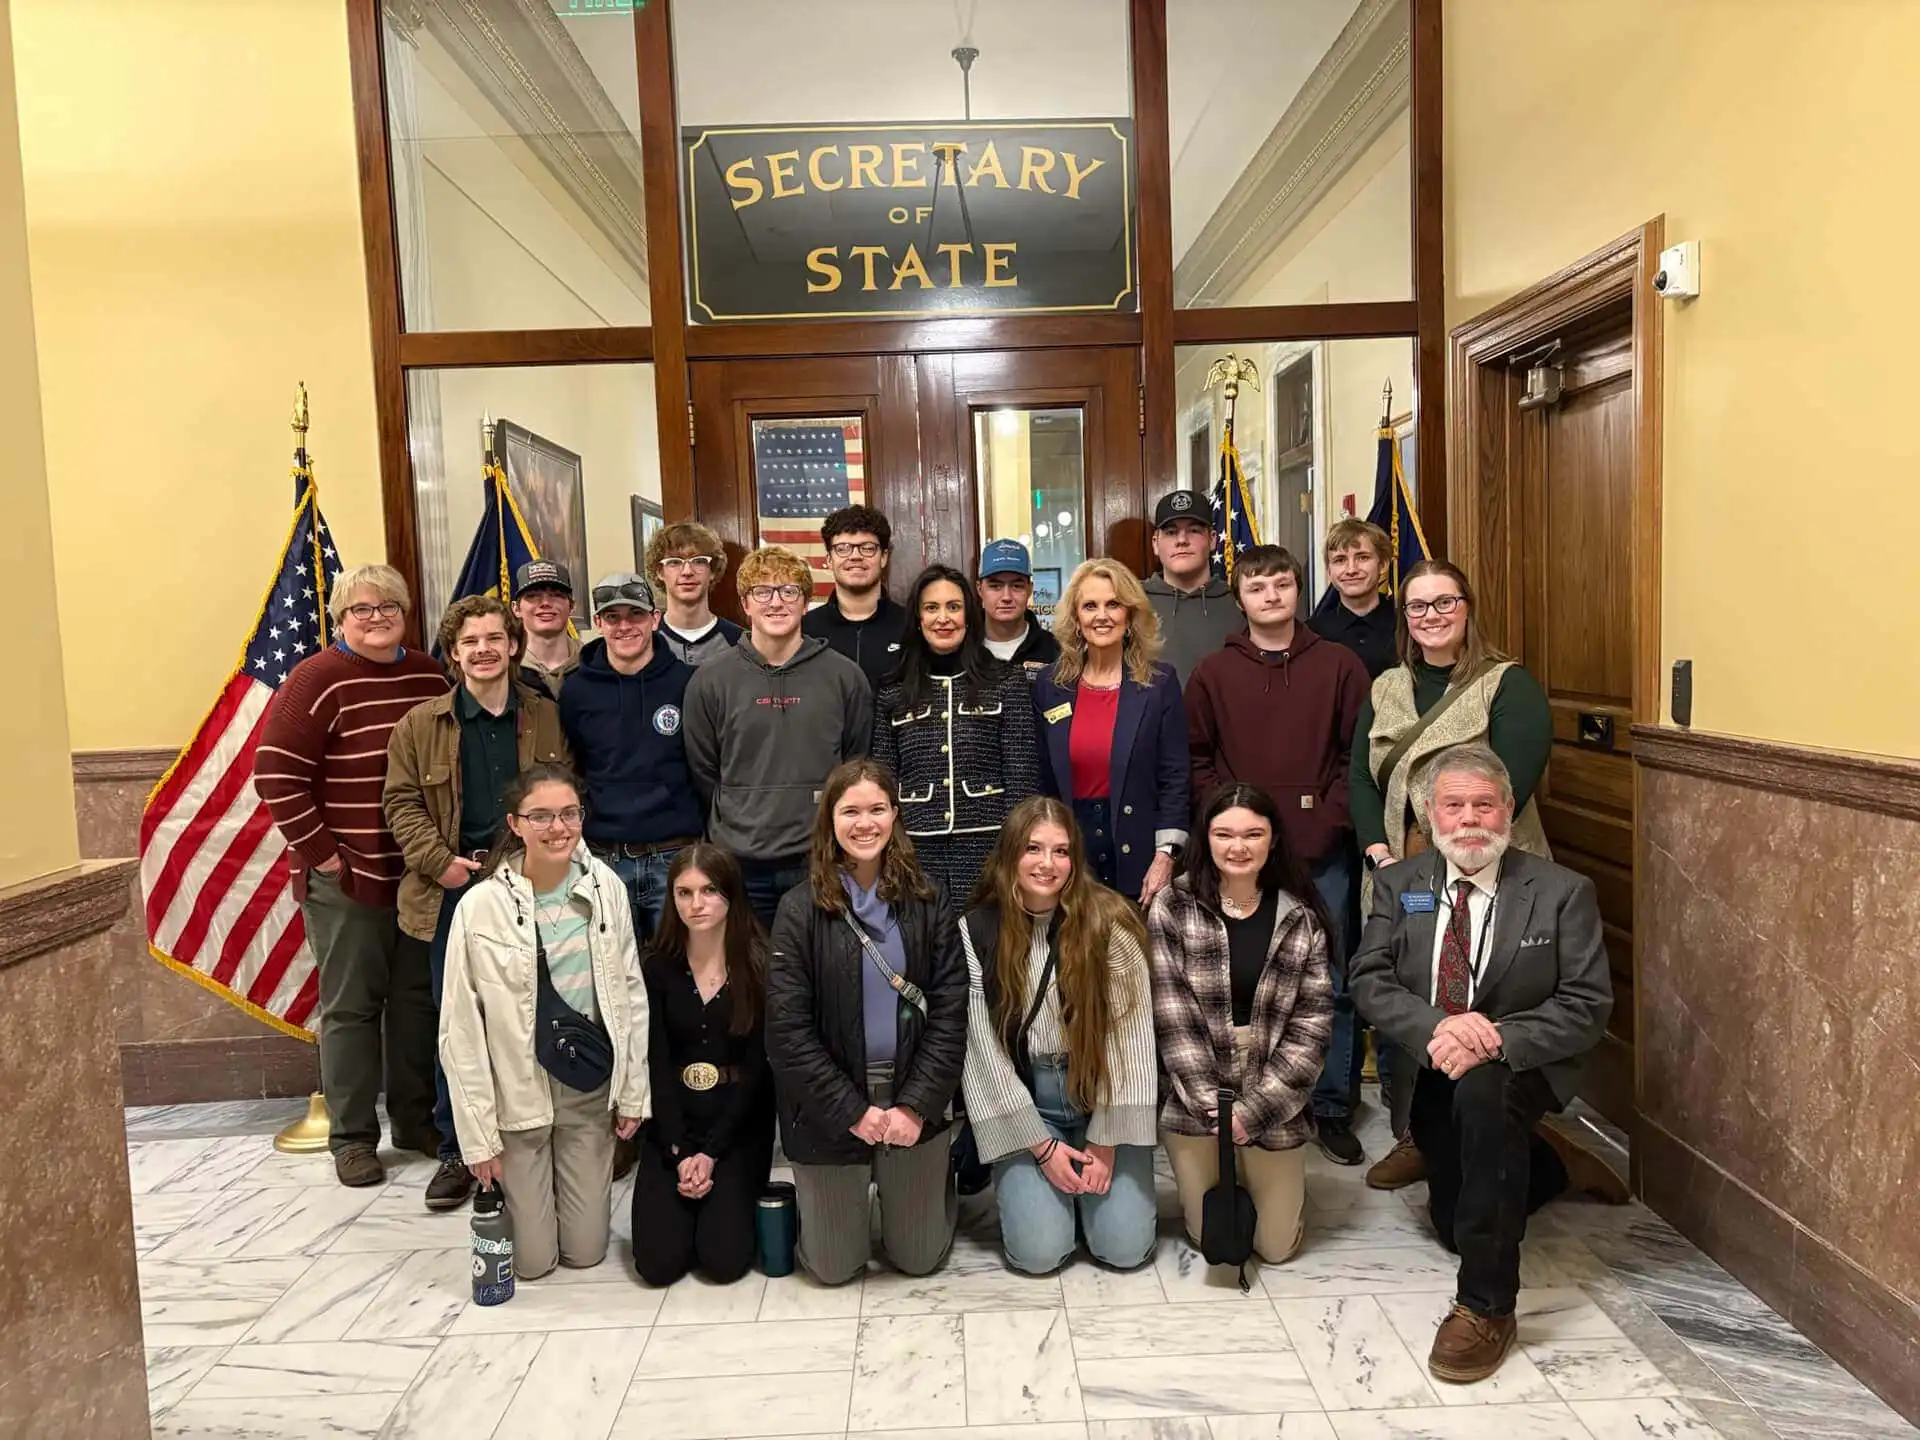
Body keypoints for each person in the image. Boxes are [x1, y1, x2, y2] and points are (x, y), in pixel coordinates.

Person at [1350, 743, 1622, 1384]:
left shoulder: (1562, 892)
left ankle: (1486, 1307)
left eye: (1485, 804)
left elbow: (1587, 1005)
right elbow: (1370, 980)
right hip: (1433, 1062)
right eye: (1454, 805)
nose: (1470, 818)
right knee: (1452, 1223)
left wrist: (1492, 1037)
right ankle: (1551, 1163)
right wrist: (1441, 1025)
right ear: (1430, 815)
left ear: (1508, 810)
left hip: (1516, 1065)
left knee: (1488, 1099)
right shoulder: (1398, 886)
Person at [1348, 559, 1554, 1192]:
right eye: (1417, 606)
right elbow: (1361, 773)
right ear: (1403, 617)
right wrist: (1380, 854)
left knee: (1480, 993)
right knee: (1408, 993)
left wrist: (1451, 861)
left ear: (1467, 608)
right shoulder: (1386, 687)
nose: (1431, 616)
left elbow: (1507, 787)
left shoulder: (1507, 686)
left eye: (1444, 603)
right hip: (1401, 863)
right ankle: (1415, 1132)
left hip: (1485, 864)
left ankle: (1501, 1132)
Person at [255, 563, 450, 1188]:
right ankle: (353, 1138)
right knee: (351, 1009)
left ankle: (416, 1121)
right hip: (348, 880)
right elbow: (276, 775)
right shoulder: (316, 678)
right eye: (361, 609)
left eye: (388, 606)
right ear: (340, 619)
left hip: (417, 875)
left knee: (416, 1004)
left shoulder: (428, 673)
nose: (376, 617)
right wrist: (327, 857)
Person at [384, 595, 572, 1212]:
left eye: (495, 638)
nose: (484, 650)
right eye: (470, 642)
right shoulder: (422, 724)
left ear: (514, 645)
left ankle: (536, 1135)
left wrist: (539, 858)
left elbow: (566, 793)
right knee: (457, 1024)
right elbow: (401, 804)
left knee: (535, 1011)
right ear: (454, 651)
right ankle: (456, 1150)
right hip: (454, 892)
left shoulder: (545, 715)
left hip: (533, 884)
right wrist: (442, 865)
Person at [1185, 545, 1370, 1166]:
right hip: (1238, 854)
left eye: (1283, 584)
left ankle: (1334, 1107)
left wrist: (1327, 824)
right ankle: (1256, 1101)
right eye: (1257, 587)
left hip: (1322, 853)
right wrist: (1228, 825)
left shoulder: (1340, 665)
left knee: (1331, 979)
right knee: (1252, 981)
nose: (1271, 596)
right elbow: (1197, 757)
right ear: (1239, 598)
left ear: (1298, 590)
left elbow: (1356, 757)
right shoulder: (1214, 672)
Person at [439, 764, 650, 1279]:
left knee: (586, 1251)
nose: (557, 828)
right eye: (541, 817)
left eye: (569, 814)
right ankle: (527, 1204)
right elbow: (459, 1029)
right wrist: (479, 1139)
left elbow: (630, 994)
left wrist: (633, 1090)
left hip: (586, 1086)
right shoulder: (480, 907)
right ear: (515, 823)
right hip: (519, 1095)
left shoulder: (606, 889)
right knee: (532, 1263)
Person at [765, 759, 968, 1285]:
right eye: (850, 810)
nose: (865, 823)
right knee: (833, 1269)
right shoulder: (797, 909)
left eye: (877, 809)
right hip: (831, 1106)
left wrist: (917, 1106)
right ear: (829, 820)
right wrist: (852, 1111)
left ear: (895, 814)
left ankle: (919, 1186)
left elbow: (950, 1011)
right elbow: (787, 1034)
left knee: (919, 1259)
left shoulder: (929, 898)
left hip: (910, 1099)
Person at [960, 797, 1158, 1275]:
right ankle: (1047, 1196)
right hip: (1029, 1101)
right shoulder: (977, 928)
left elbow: (1131, 1038)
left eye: (1061, 851)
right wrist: (1040, 1147)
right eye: (1033, 848)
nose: (1048, 864)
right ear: (1009, 854)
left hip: (1100, 1096)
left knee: (1124, 1249)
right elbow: (981, 1050)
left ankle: (1087, 1204)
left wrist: (1106, 1141)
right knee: (1039, 1255)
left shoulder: (1110, 921)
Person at [1149, 783, 1335, 1267]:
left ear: (1273, 840)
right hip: (1197, 1100)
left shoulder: (1301, 916)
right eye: (1224, 834)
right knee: (1209, 1235)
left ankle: (1278, 1185)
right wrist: (1216, 1111)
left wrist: (1253, 1113)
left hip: (1272, 1090)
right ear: (1204, 838)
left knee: (1274, 1249)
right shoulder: (1173, 905)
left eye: (1253, 834)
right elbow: (1172, 1017)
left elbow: (1311, 1029)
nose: (1238, 847)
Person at [685, 546, 873, 927]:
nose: (776, 602)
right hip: (738, 860)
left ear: (805, 603)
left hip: (818, 859)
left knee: (819, 974)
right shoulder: (711, 680)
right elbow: (704, 770)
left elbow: (855, 766)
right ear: (745, 604)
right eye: (763, 591)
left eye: (789, 591)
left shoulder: (844, 677)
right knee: (750, 975)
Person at [631, 844, 774, 1288]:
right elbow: (654, 1061)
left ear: (731, 894)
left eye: (710, 891)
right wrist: (679, 1150)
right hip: (671, 1125)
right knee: (657, 1267)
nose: (697, 904)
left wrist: (711, 1153)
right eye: (684, 892)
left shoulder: (759, 964)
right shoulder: (656, 967)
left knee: (724, 1262)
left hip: (736, 1130)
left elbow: (757, 1072)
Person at [870, 563, 1041, 901]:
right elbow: (883, 781)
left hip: (989, 850)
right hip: (916, 853)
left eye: (953, 607)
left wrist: (1014, 851)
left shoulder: (1005, 681)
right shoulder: (893, 691)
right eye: (931, 608)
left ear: (969, 615)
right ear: (918, 619)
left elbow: (1022, 777)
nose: (943, 618)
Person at [1033, 559, 1188, 906]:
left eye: (1113, 604)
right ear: (1076, 618)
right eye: (1090, 606)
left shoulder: (1159, 684)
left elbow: (1175, 777)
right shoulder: (1050, 686)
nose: (1102, 615)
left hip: (1141, 858)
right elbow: (1041, 781)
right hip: (1070, 853)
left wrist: (1166, 856)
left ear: (1130, 615)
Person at [558, 573, 703, 941]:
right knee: (613, 975)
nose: (624, 626)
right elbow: (573, 767)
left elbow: (706, 766)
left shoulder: (688, 683)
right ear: (597, 623)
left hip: (675, 855)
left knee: (677, 970)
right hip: (605, 857)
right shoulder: (575, 691)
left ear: (655, 619)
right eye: (613, 617)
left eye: (635, 615)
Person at [802, 503, 908, 686]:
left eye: (867, 548)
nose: (855, 556)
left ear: (883, 557)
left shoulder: (910, 626)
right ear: (829, 559)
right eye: (843, 548)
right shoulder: (804, 631)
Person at [1143, 490, 1241, 685]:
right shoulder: (1130, 602)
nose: (1182, 540)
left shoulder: (1241, 603)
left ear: (1212, 539)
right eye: (1171, 532)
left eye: (1194, 530)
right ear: (1155, 543)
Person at [1308, 519, 1398, 681]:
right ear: (1329, 571)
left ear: (1383, 565)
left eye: (1362, 558)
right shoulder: (1312, 634)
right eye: (1340, 560)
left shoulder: (1408, 624)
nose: (1351, 570)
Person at [646, 520, 743, 666]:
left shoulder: (741, 642)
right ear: (659, 571)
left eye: (698, 561)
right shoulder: (645, 642)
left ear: (712, 571)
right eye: (674, 562)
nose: (687, 572)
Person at [975, 538, 1060, 671]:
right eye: (995, 586)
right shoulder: (962, 650)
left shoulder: (1055, 651)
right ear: (980, 589)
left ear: (1030, 589)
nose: (1006, 597)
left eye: (1017, 586)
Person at [511, 560, 580, 699]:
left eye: (556, 595)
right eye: (533, 596)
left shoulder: (595, 664)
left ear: (572, 607)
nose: (546, 603)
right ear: (516, 608)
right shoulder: (505, 670)